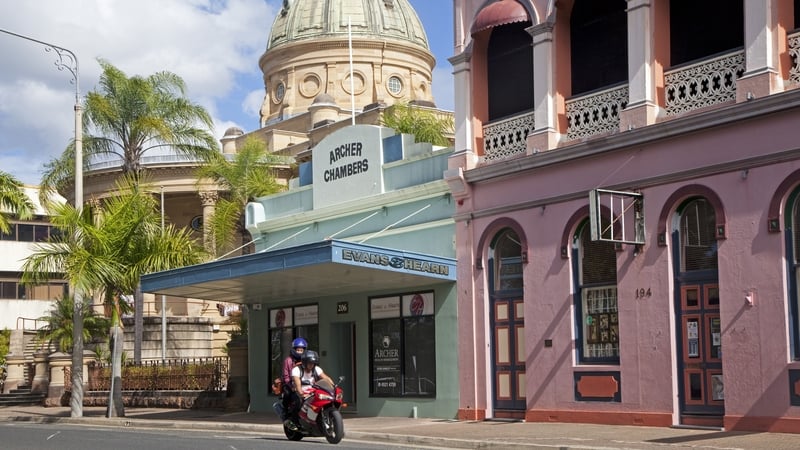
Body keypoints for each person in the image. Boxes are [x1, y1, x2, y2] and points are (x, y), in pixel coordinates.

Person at [286, 350, 333, 429]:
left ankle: (315, 419)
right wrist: (301, 394)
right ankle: (294, 422)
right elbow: (297, 384)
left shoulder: (317, 369)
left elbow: (326, 378)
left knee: (322, 400)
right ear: (304, 362)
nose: (312, 365)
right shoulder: (296, 370)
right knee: (298, 402)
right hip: (300, 391)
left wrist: (333, 387)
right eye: (310, 363)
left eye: (313, 363)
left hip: (313, 391)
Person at [280, 337, 307, 424]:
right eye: (298, 350)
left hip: (304, 384)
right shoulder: (288, 360)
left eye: (301, 350)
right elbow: (286, 376)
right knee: (289, 394)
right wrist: (291, 386)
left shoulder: (306, 360)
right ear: (294, 349)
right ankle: (285, 411)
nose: (300, 352)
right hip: (290, 384)